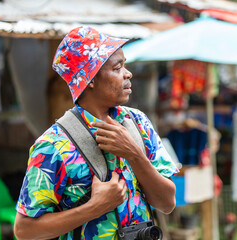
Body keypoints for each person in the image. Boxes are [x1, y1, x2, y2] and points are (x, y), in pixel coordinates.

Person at [14, 26, 179, 240]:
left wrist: (134, 154)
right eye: (117, 68)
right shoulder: (53, 146)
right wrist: (95, 207)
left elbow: (167, 203)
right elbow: (24, 230)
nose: (128, 73)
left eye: (124, 65)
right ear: (90, 79)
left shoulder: (138, 123)